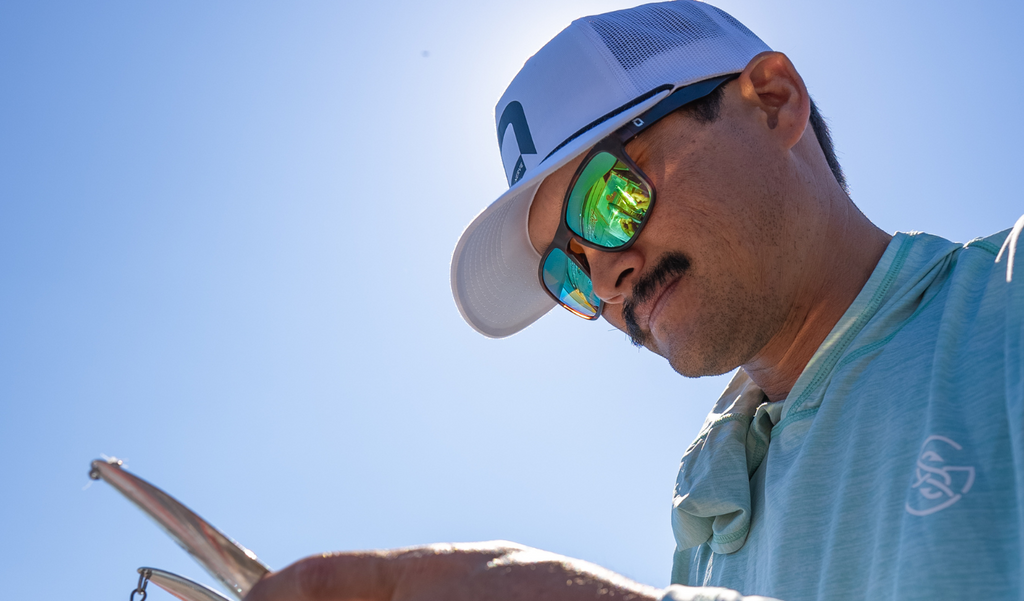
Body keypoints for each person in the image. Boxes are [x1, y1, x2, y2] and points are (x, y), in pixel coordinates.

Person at [245, 2, 1024, 600]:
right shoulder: (710, 510)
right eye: (568, 271)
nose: (609, 278)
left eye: (610, 198)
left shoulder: (1007, 303)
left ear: (774, 100)